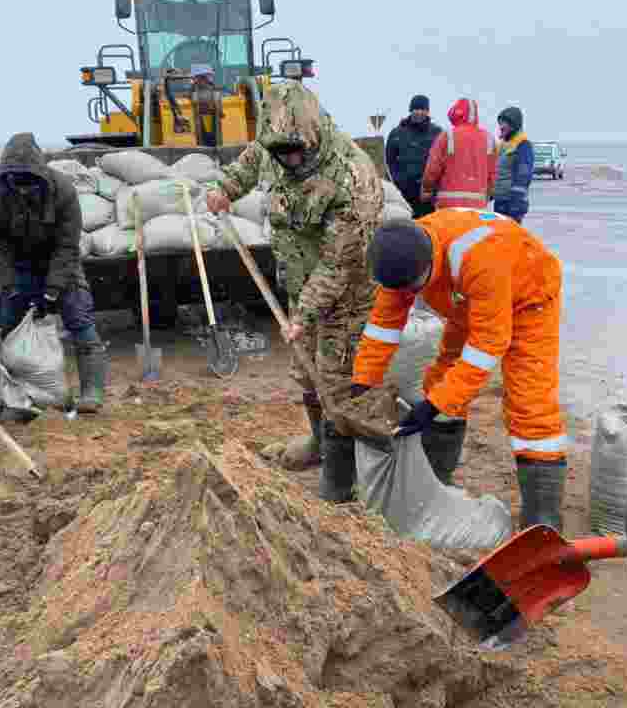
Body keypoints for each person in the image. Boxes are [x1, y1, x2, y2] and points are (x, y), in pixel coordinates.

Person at [207, 81, 384, 501]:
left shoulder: (351, 176)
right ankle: (320, 445)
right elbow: (249, 164)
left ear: (314, 137)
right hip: (298, 282)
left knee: (337, 381)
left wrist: (303, 315)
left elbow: (338, 263)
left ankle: (344, 481)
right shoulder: (273, 149)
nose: (289, 161)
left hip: (346, 295)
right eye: (280, 153)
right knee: (306, 372)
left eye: (296, 153)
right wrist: (225, 189)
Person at [351, 214, 568, 530]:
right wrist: (362, 385)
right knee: (440, 381)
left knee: (530, 404)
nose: (408, 294)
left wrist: (435, 406)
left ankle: (543, 517)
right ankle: (437, 480)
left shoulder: (480, 258)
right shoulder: (401, 258)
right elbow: (382, 330)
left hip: (528, 298)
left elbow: (488, 347)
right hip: (467, 300)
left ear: (429, 263)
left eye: (414, 287)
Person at [0, 133, 107, 413]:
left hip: (59, 263)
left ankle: (91, 393)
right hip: (18, 265)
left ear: (41, 175)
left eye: (29, 182)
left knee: (80, 322)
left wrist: (53, 290)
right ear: (5, 176)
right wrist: (9, 285)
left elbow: (68, 245)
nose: (23, 189)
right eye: (17, 182)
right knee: (6, 326)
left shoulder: (63, 190)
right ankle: (12, 394)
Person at [420, 98, 492, 210]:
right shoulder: (489, 139)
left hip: (448, 206)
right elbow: (494, 176)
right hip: (478, 208)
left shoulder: (447, 136)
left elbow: (432, 169)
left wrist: (427, 189)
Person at [386, 95, 442, 219]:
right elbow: (389, 161)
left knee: (428, 226)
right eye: (416, 109)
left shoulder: (437, 133)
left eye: (422, 109)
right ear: (410, 110)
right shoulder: (397, 133)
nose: (419, 112)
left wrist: (434, 186)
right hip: (403, 193)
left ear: (428, 112)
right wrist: (398, 181)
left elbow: (442, 161)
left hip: (428, 193)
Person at [490, 106, 533, 224]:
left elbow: (523, 175)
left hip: (512, 203)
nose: (501, 127)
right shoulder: (504, 144)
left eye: (504, 123)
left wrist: (516, 204)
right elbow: (499, 171)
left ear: (514, 124)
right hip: (500, 202)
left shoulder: (523, 145)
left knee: (510, 238)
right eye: (500, 123)